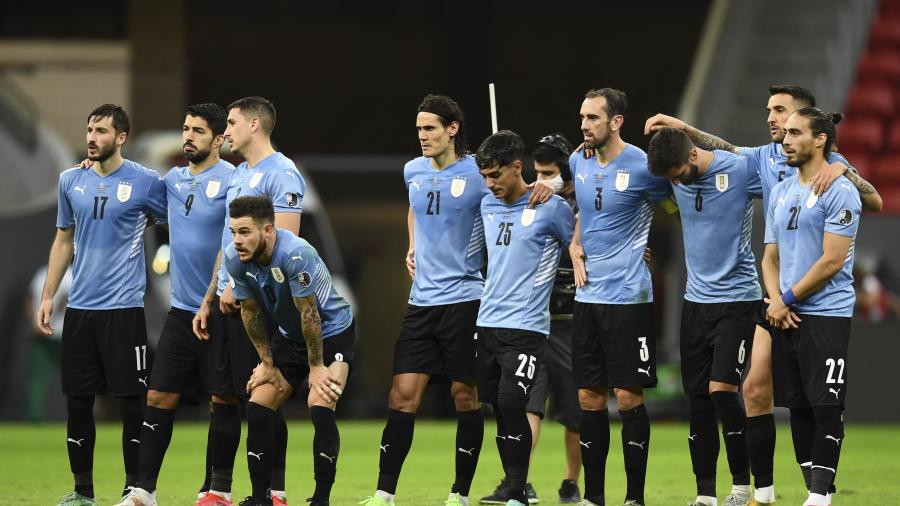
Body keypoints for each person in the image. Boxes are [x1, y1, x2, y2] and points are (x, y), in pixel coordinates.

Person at [644, 84, 882, 505]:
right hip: (774, 297)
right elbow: (721, 149)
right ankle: (764, 490)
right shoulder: (764, 161)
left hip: (803, 299)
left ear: (809, 125)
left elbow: (875, 200)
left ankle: (815, 486)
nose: (774, 121)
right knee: (755, 390)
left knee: (814, 397)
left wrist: (845, 171)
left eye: (783, 115)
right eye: (772, 113)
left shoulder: (829, 168)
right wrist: (682, 128)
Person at [38, 104, 167, 506]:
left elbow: (178, 222)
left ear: (121, 137)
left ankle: (135, 489)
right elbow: (63, 240)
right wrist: (48, 295)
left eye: (101, 131)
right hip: (79, 311)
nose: (92, 137)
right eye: (90, 129)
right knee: (78, 403)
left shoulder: (146, 182)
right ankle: (82, 492)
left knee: (131, 403)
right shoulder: (70, 180)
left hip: (124, 312)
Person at [114, 103, 234, 506]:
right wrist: (97, 165)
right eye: (186, 129)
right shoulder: (173, 181)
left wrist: (214, 297)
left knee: (223, 399)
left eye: (198, 131)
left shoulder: (233, 180)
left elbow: (235, 241)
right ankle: (143, 491)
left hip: (223, 311)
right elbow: (128, 182)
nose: (188, 137)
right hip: (181, 312)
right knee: (159, 397)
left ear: (218, 140)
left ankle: (215, 489)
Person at [193, 96, 306, 506]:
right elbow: (229, 243)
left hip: (261, 305)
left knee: (264, 393)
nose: (227, 130)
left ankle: (274, 492)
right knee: (223, 394)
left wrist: (242, 288)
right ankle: (219, 490)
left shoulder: (284, 173)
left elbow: (286, 245)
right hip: (227, 301)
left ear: (255, 124)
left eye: (233, 122)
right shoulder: (239, 174)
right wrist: (210, 295)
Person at [568, 88, 676, 506]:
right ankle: (593, 497)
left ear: (616, 122)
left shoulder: (644, 166)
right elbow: (585, 214)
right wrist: (575, 243)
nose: (583, 125)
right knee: (587, 398)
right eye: (582, 117)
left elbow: (674, 210)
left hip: (628, 299)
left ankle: (634, 498)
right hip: (586, 298)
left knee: (629, 396)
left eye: (593, 118)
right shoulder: (577, 160)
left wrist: (644, 243)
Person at [648, 127, 766, 506]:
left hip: (738, 300)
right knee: (698, 398)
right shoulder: (674, 179)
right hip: (695, 302)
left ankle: (742, 487)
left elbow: (790, 176)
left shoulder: (741, 170)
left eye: (678, 173)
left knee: (722, 391)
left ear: (694, 155)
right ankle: (705, 494)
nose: (676, 182)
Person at [218, 195, 355, 506]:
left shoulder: (295, 254)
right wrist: (266, 362)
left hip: (331, 331)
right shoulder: (234, 257)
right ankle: (261, 497)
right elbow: (250, 312)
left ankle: (321, 499)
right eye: (234, 232)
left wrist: (317, 367)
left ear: (268, 230)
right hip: (289, 336)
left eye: (245, 232)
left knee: (320, 402)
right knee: (258, 404)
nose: (237, 240)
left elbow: (310, 315)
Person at [762, 108, 860, 506]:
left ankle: (820, 497)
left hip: (825, 313)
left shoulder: (840, 190)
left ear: (820, 139)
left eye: (795, 133)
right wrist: (774, 301)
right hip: (785, 313)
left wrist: (786, 299)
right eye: (784, 133)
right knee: (797, 405)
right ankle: (814, 491)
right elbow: (769, 256)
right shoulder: (783, 189)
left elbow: (832, 260)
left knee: (826, 404)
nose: (785, 140)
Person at [473, 130, 575, 506]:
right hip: (487, 324)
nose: (490, 183)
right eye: (485, 176)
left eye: (496, 175)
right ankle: (518, 488)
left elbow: (579, 245)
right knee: (499, 410)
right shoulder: (487, 203)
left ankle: (518, 494)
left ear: (518, 168)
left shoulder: (551, 208)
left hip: (527, 327)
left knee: (513, 402)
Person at [24, 265, 72, 421]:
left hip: (63, 335)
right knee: (37, 379)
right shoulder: (42, 273)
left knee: (74, 379)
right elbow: (30, 298)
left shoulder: (71, 274)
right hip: (43, 336)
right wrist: (34, 322)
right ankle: (34, 416)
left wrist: (41, 323)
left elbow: (65, 299)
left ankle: (76, 415)